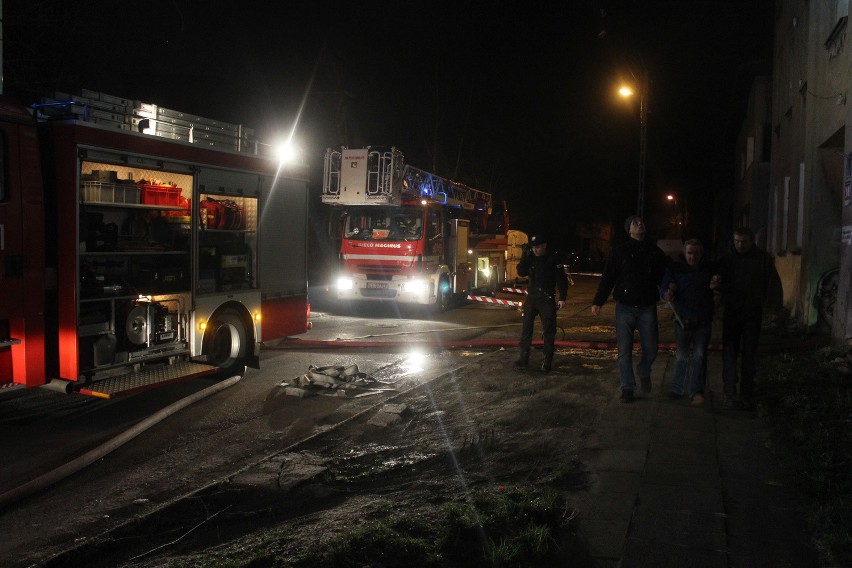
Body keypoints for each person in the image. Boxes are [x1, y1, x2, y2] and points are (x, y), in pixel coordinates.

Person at [591, 216, 668, 403]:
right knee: (624, 350)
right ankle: (627, 387)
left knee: (651, 348)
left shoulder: (654, 252)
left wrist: (669, 289)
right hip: (625, 308)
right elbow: (608, 277)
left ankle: (643, 370)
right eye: (635, 223)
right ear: (629, 230)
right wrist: (598, 301)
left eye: (642, 221)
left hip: (647, 307)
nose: (640, 224)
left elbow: (665, 275)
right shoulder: (620, 252)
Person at [717, 226, 783, 409]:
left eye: (743, 241)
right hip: (732, 311)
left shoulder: (762, 259)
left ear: (751, 241)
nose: (739, 245)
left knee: (749, 353)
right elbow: (719, 282)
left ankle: (747, 392)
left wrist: (774, 308)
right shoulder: (727, 260)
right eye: (736, 241)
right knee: (729, 352)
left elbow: (773, 284)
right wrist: (716, 286)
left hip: (752, 312)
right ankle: (729, 391)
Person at [660, 239, 719, 406]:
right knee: (682, 357)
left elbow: (718, 285)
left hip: (702, 320)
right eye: (689, 253)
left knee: (700, 356)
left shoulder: (708, 268)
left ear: (701, 254)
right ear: (684, 253)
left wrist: (716, 285)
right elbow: (664, 287)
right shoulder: (675, 268)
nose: (692, 257)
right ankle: (677, 389)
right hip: (682, 320)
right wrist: (667, 293)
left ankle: (696, 391)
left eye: (696, 253)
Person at [514, 234, 568, 372]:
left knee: (549, 329)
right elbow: (521, 272)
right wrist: (524, 256)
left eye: (537, 247)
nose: (535, 250)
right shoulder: (530, 258)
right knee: (526, 327)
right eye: (533, 247)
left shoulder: (553, 259)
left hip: (546, 297)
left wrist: (562, 297)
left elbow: (561, 279)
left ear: (544, 246)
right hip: (532, 297)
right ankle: (524, 357)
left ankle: (547, 360)